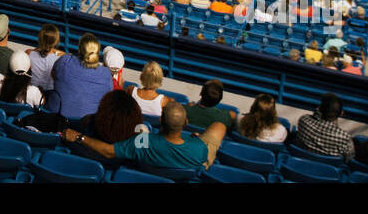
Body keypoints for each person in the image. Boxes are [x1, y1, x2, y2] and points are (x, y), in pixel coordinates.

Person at [62, 102, 225, 172]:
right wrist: (196, 138)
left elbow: (108, 151)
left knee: (143, 127)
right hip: (192, 155)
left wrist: (79, 137)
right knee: (220, 126)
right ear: (186, 123)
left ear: (161, 121)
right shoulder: (200, 149)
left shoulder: (142, 143)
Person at [46, 32, 114, 123]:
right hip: (85, 128)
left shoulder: (64, 61)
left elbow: (53, 75)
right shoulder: (106, 74)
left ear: (79, 50)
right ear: (97, 53)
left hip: (54, 122)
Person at [295, 92, 355, 160]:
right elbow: (350, 159)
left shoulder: (304, 120)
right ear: (341, 113)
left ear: (319, 109)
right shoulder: (345, 138)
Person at [27, 23, 65, 92]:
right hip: (50, 97)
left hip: (30, 95)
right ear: (56, 40)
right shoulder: (63, 57)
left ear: (40, 38)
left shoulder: (28, 53)